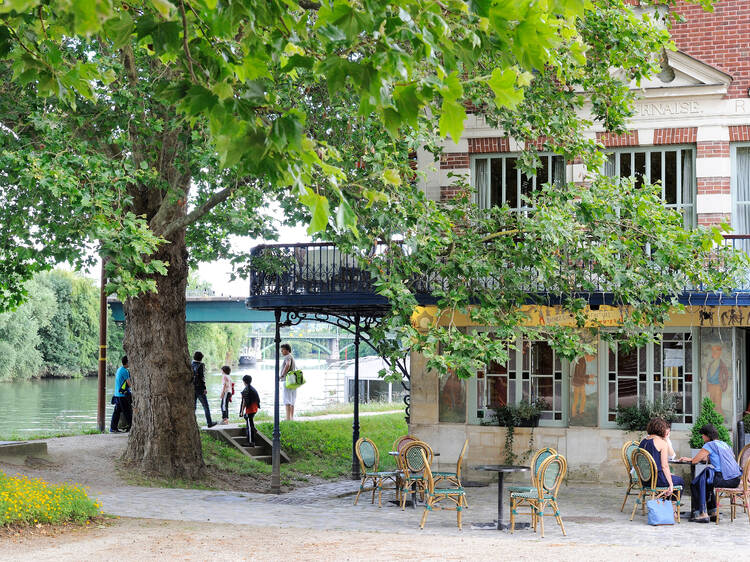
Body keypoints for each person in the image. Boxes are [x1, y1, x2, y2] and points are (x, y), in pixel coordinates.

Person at [679, 423, 742, 523]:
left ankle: (702, 512)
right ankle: (713, 511)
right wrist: (710, 458)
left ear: (707, 435)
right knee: (707, 477)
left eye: (703, 435)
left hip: (724, 478)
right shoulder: (724, 444)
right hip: (735, 479)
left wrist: (688, 459)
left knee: (699, 480)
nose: (702, 437)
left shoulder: (709, 445)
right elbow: (730, 458)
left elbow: (695, 460)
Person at [638, 418, 684, 498]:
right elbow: (664, 466)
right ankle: (673, 508)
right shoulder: (661, 443)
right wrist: (671, 483)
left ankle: (663, 503)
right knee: (680, 481)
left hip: (644, 480)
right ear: (661, 429)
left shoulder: (643, 442)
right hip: (657, 480)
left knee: (671, 476)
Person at [192, 351, 216, 428]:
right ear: (201, 358)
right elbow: (202, 378)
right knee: (206, 406)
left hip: (192, 388)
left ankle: (193, 424)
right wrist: (204, 388)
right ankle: (209, 423)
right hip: (199, 388)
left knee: (193, 406)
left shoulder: (191, 364)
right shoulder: (201, 365)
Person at [704, 344, 729, 418]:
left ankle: (722, 418)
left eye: (715, 352)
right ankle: (712, 417)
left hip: (718, 386)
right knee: (712, 402)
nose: (713, 354)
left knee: (718, 403)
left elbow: (726, 375)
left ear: (719, 353)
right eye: (713, 352)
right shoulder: (711, 363)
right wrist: (707, 385)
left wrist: (724, 384)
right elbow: (708, 374)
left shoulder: (721, 364)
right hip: (711, 385)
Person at [110, 356, 132, 433]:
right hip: (123, 395)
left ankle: (113, 428)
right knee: (127, 411)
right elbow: (129, 384)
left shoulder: (119, 369)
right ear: (127, 362)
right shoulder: (125, 371)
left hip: (117, 394)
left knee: (116, 412)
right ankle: (130, 427)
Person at [239, 375, 261, 446]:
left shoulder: (246, 390)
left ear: (244, 381)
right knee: (248, 419)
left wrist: (241, 411)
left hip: (250, 409)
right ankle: (253, 428)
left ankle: (251, 442)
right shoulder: (253, 389)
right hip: (255, 408)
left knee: (249, 426)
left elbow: (244, 402)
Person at [280, 343, 296, 421]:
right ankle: (291, 417)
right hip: (293, 380)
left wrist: (282, 375)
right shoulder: (292, 357)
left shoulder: (287, 357)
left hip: (287, 380)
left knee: (287, 399)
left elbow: (287, 365)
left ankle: (287, 418)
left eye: (282, 350)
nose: (281, 351)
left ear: (287, 350)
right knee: (292, 399)